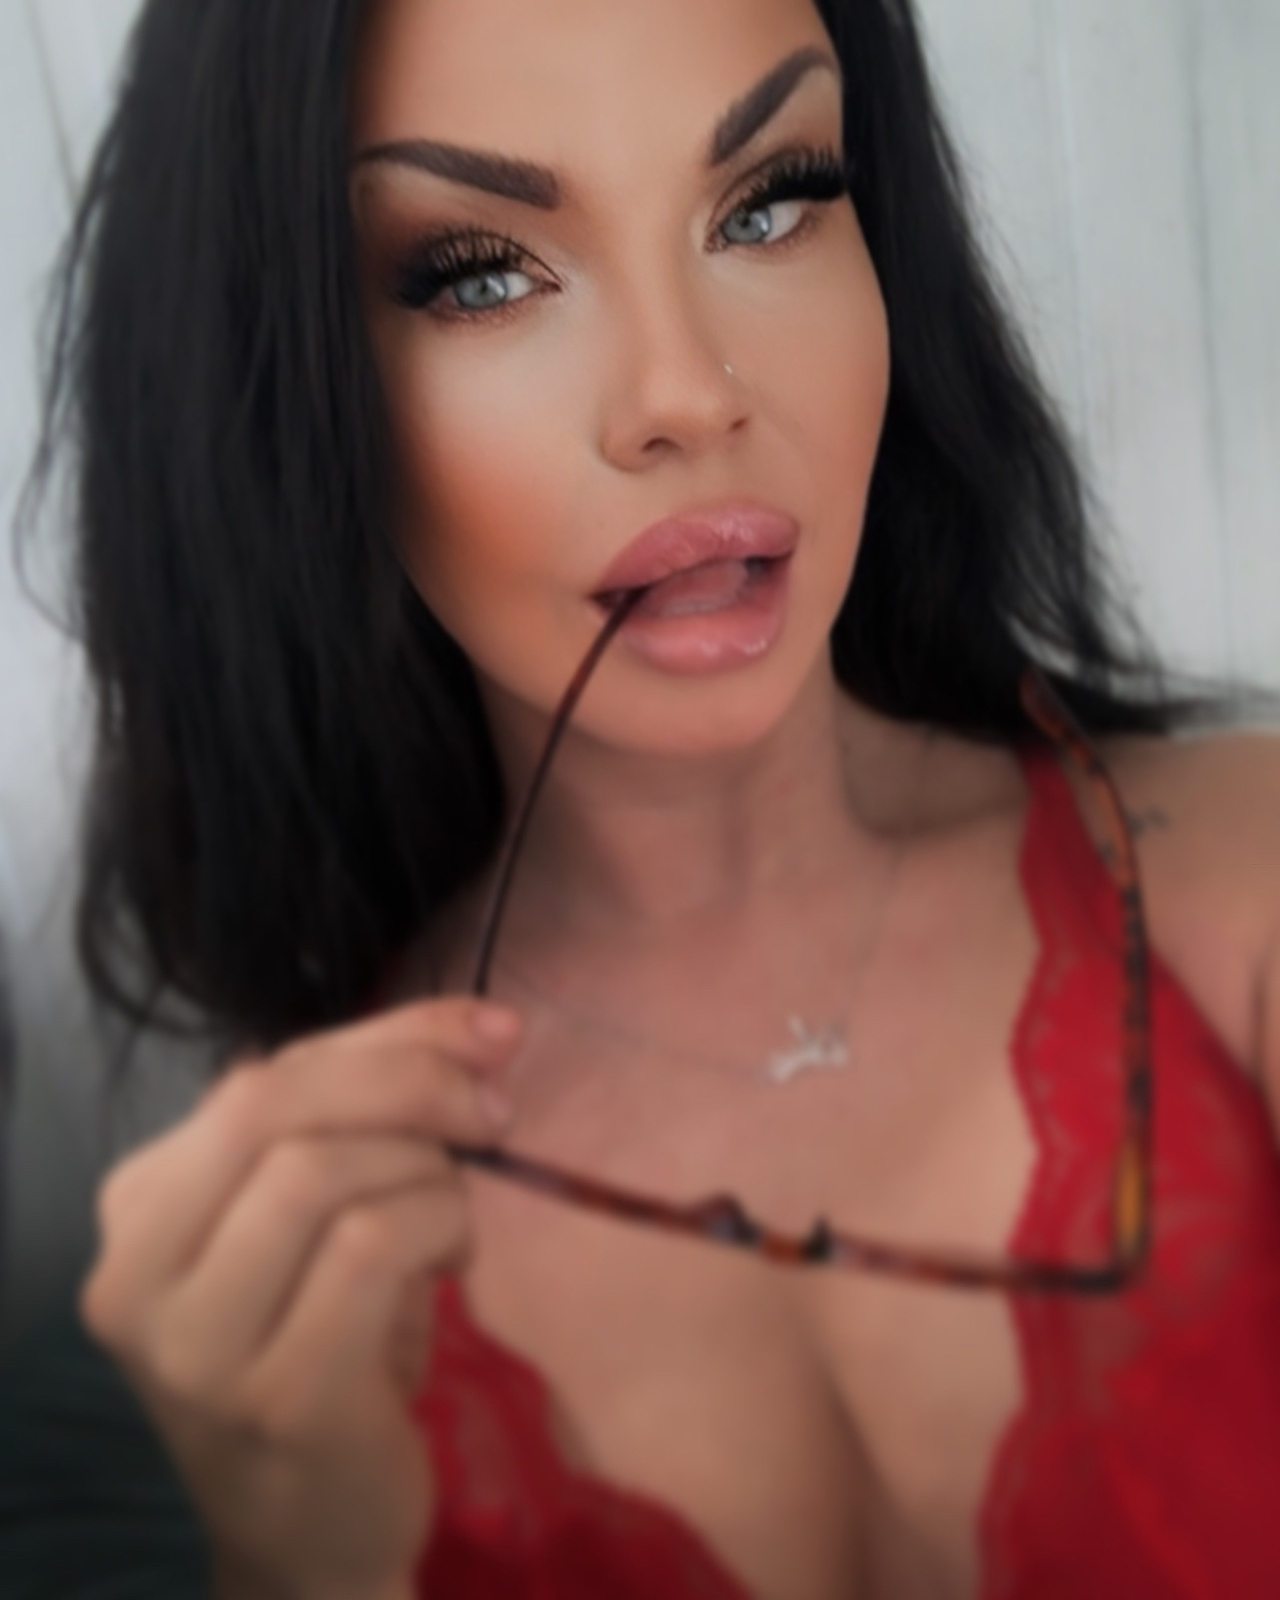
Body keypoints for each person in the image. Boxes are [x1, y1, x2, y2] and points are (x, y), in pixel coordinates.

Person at [14, 0, 1280, 1595]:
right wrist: (300, 1561)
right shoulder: (316, 1229)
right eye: (480, 274)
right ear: (296, 383)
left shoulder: (1243, 888)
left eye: (769, 201)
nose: (686, 392)